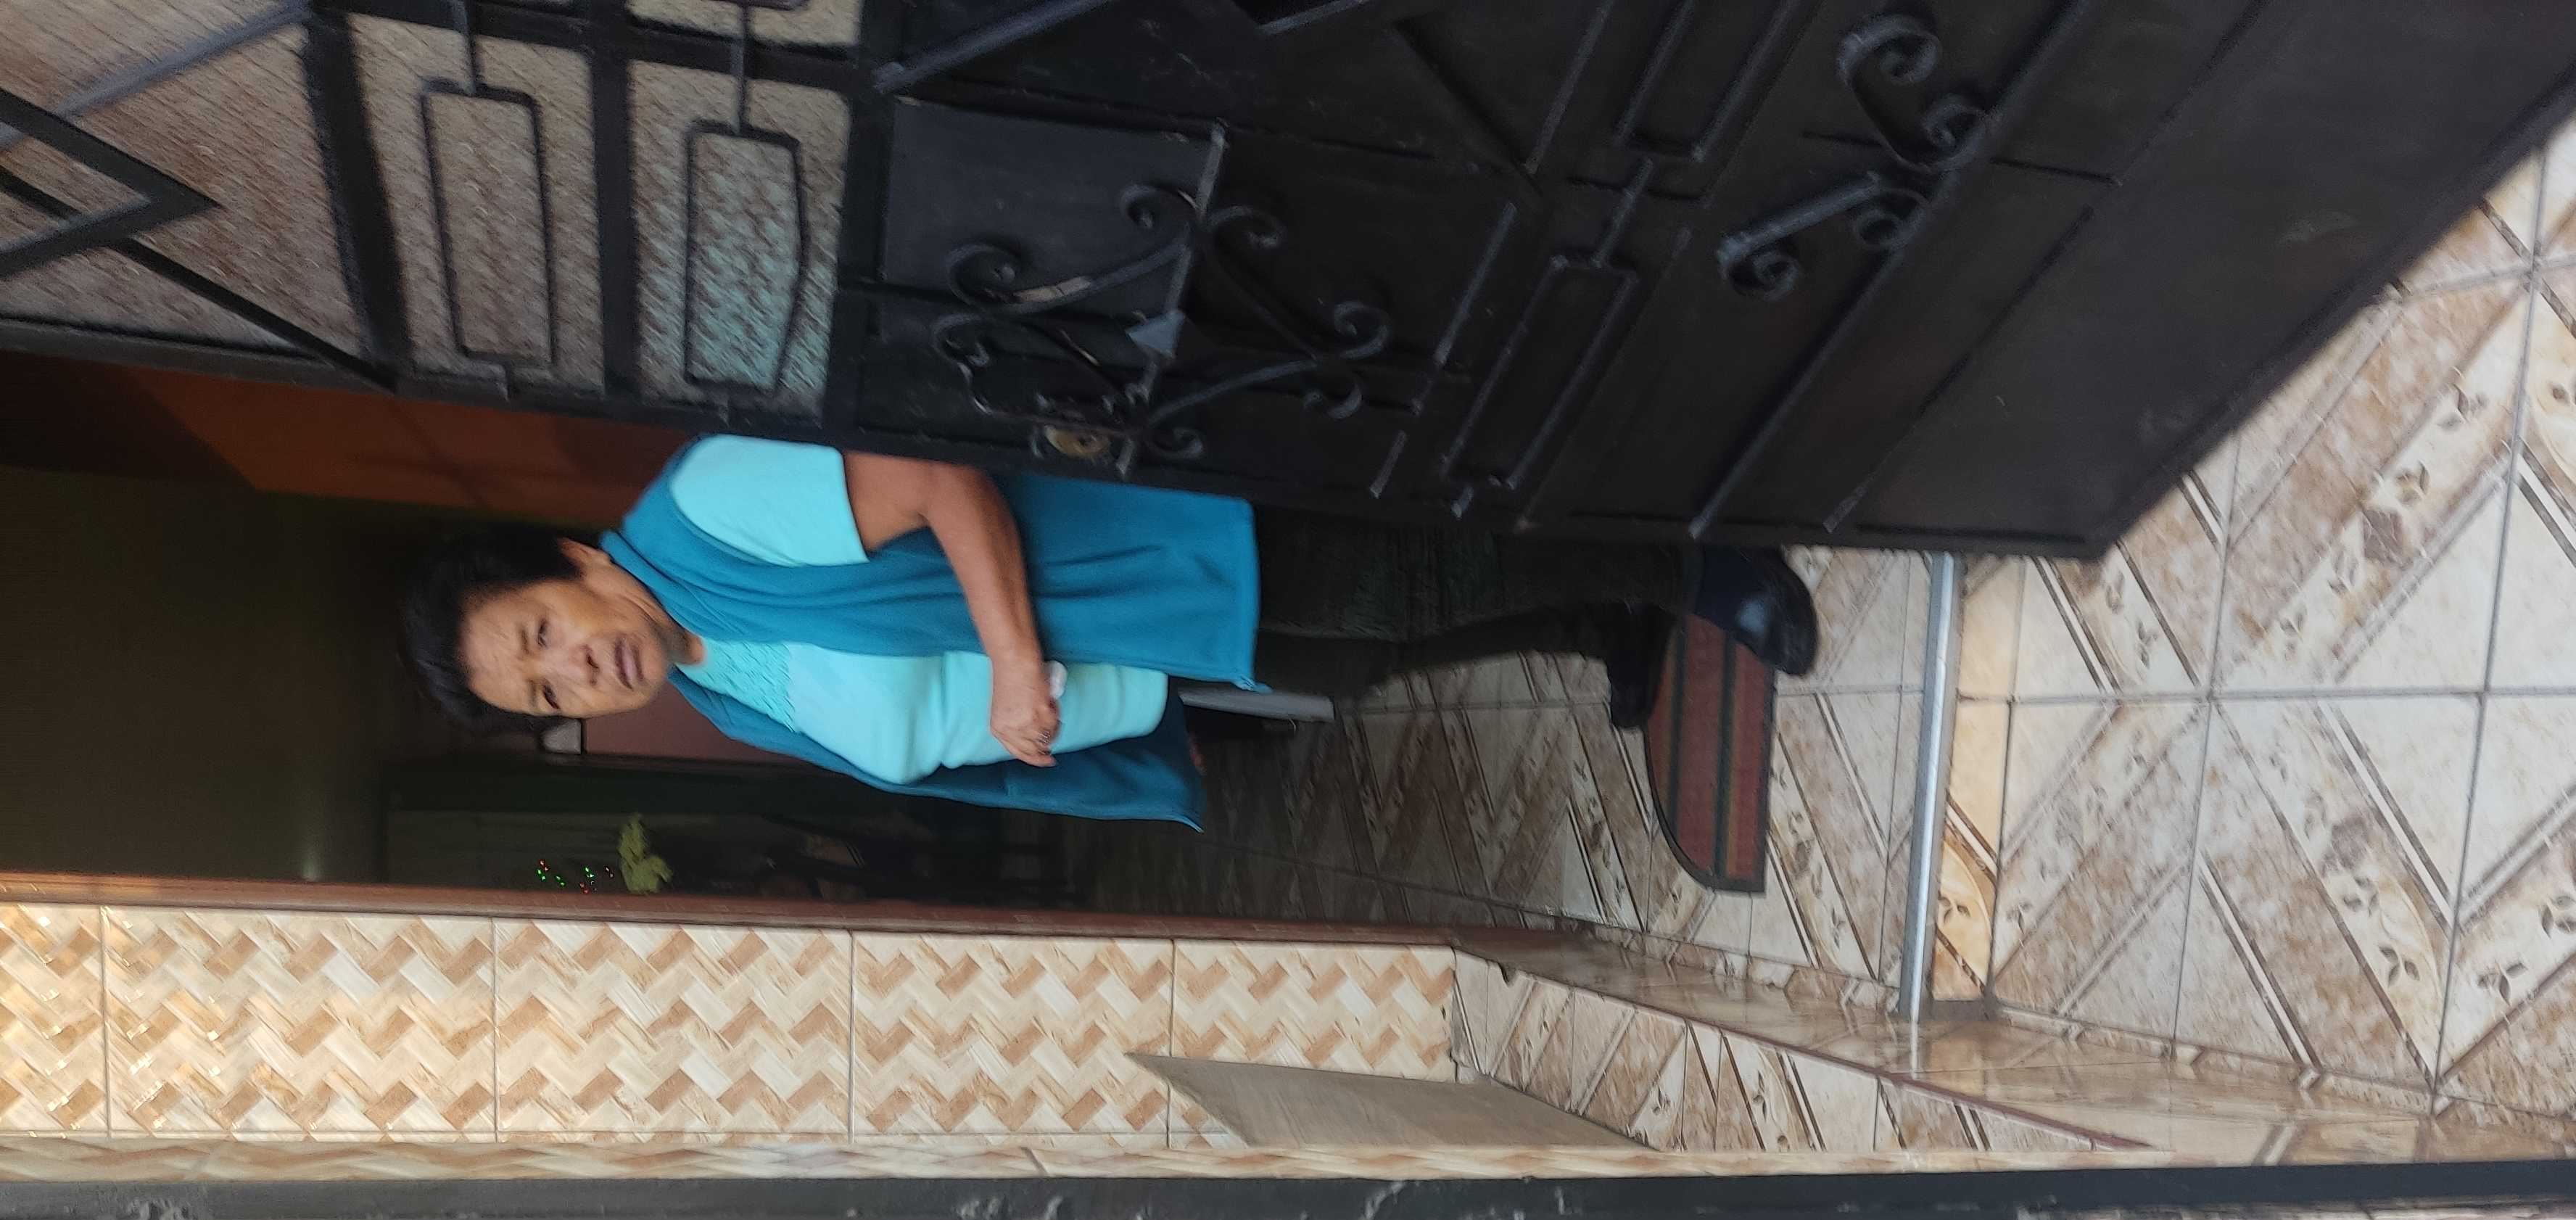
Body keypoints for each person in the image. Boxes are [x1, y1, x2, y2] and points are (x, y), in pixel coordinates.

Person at [402, 436, 1820, 827]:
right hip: (1140, 654)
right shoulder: (718, 696)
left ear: (574, 564)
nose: (573, 670)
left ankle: (1699, 564)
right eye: (544, 695)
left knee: (1400, 583)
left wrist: (1018, 662)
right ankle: (1598, 617)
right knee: (1375, 655)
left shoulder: (704, 515)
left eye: (541, 632)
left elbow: (936, 475)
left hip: (1132, 553)